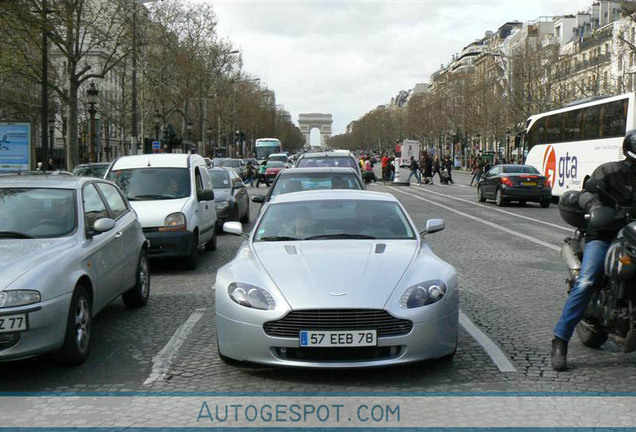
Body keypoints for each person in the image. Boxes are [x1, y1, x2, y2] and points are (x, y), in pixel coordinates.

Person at [551, 131, 636, 371]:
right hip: (605, 234)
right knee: (587, 281)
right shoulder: (608, 171)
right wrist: (596, 207)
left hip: (633, 234)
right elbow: (588, 193)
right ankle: (560, 340)